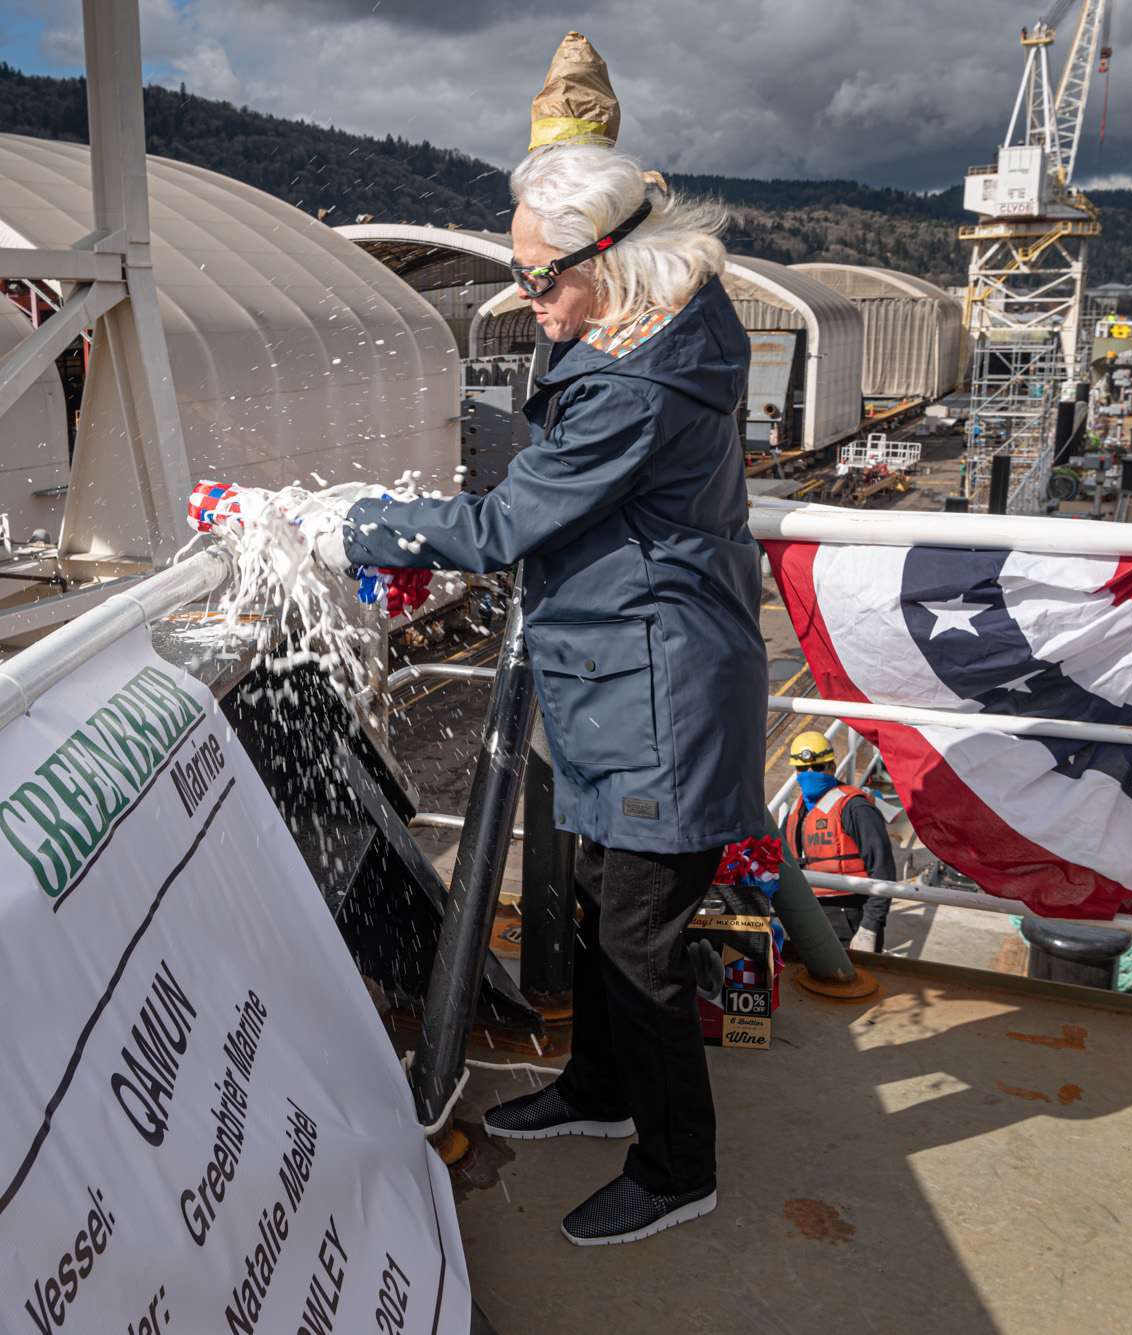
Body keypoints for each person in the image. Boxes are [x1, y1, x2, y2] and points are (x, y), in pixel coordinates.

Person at [337, 143, 764, 1245]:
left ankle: (679, 1169)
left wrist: (347, 519)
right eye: (520, 278)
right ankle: (600, 1088)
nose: (529, 305)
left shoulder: (631, 386)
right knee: (590, 905)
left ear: (611, 260)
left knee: (636, 943)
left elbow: (502, 528)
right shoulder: (666, 328)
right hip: (624, 671)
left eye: (542, 281)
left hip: (654, 685)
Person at [783, 730, 898, 951]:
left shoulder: (856, 808)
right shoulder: (796, 812)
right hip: (808, 912)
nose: (809, 773)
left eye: (817, 767)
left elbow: (883, 871)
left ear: (832, 767)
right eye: (801, 768)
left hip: (851, 915)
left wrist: (870, 927)